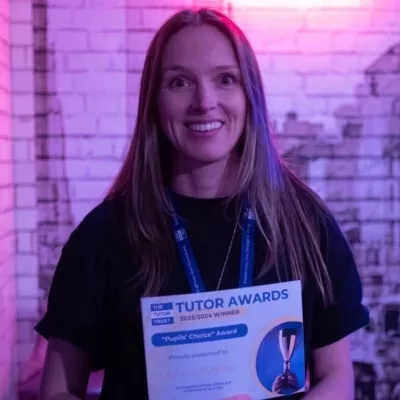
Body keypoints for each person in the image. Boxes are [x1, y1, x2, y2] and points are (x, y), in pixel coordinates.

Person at [35, 7, 370, 400]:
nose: (204, 101)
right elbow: (58, 390)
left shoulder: (308, 225)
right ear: (154, 103)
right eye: (179, 82)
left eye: (225, 79)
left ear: (250, 96)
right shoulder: (103, 236)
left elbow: (336, 378)